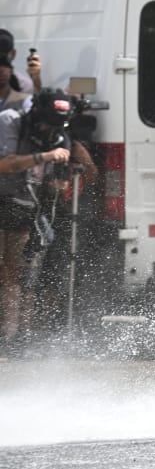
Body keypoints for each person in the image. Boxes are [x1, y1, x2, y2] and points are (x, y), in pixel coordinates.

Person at [0, 90, 97, 345]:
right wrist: (43, 157)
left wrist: (61, 180)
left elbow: (80, 175)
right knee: (6, 272)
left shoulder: (60, 135)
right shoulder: (11, 121)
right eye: (44, 125)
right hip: (4, 198)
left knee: (21, 273)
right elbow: (4, 164)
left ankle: (18, 336)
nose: (47, 131)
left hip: (25, 206)